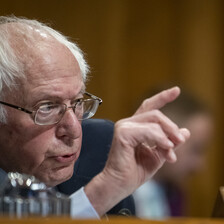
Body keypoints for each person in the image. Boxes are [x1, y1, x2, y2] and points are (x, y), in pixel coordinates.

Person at [0, 16, 190, 219]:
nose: (74, 130)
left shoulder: (99, 152)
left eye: (78, 103)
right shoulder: (103, 177)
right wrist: (100, 194)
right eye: (47, 107)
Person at [133, 89, 213, 219]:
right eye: (195, 150)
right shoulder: (118, 198)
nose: (200, 165)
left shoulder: (174, 194)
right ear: (158, 136)